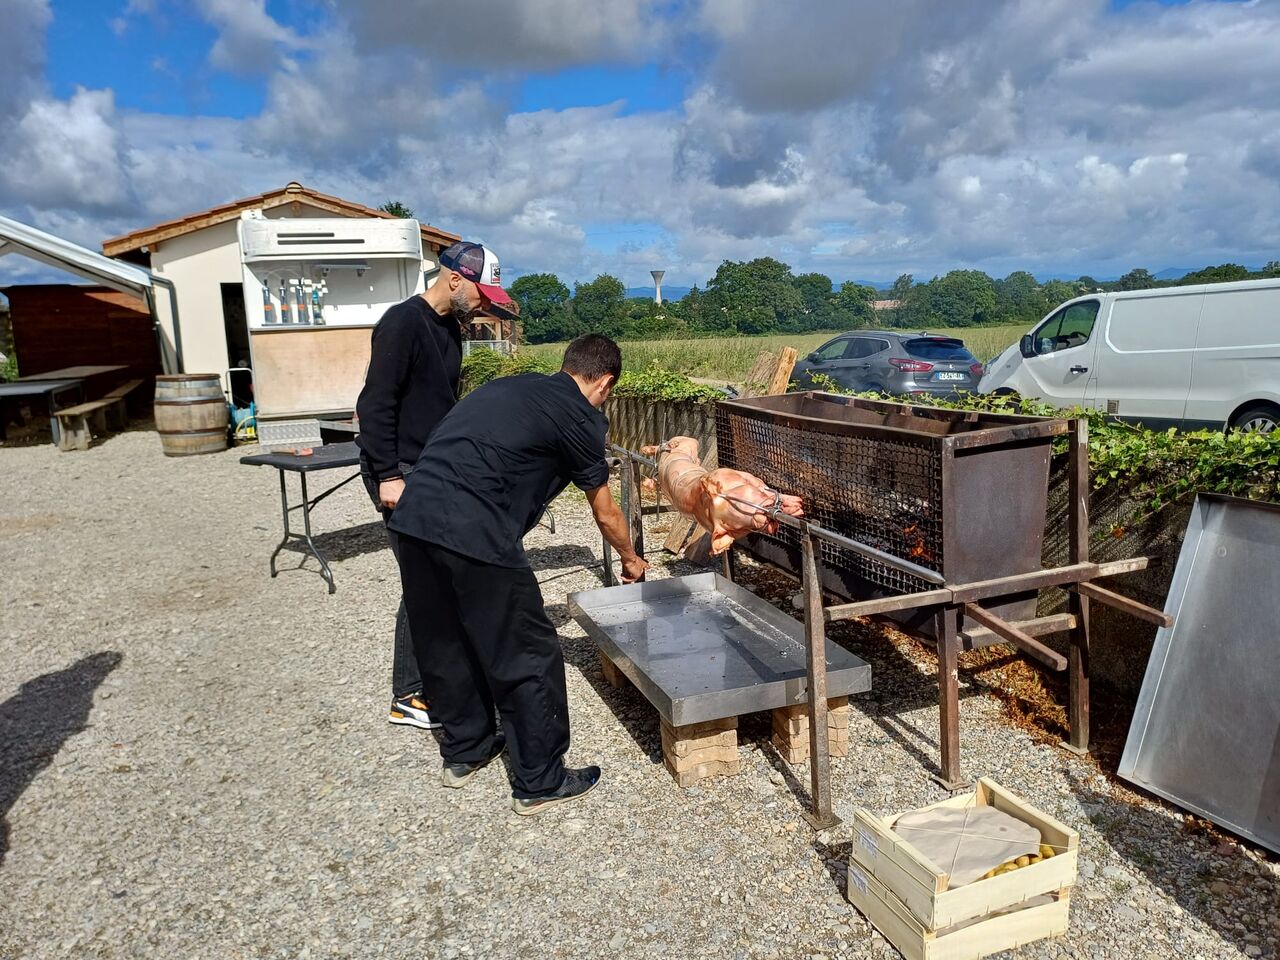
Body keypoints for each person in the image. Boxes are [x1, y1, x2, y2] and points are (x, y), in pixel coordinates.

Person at [389, 334, 648, 815]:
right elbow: (606, 512)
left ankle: (467, 750)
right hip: (475, 531)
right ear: (605, 382)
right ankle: (540, 779)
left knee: (445, 641)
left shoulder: (512, 387)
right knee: (526, 651)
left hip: (412, 521)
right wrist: (632, 559)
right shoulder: (579, 415)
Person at [355, 240, 515, 731]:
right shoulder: (403, 323)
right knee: (423, 578)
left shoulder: (450, 328)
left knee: (439, 574)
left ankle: (442, 674)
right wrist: (388, 476)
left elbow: (442, 402)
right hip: (399, 470)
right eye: (480, 292)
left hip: (431, 467)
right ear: (453, 279)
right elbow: (375, 404)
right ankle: (409, 692)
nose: (484, 302)